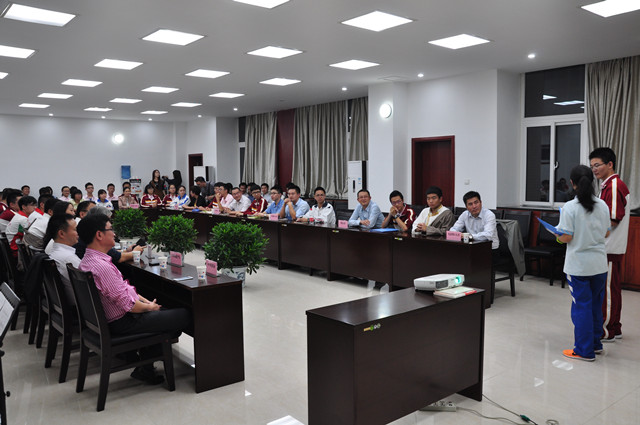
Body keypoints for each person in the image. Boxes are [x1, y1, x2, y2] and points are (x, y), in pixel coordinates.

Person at [77, 214, 190, 384]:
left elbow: (123, 289)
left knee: (166, 313)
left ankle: (146, 365)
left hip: (112, 320)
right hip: (123, 322)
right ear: (99, 235)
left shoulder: (88, 260)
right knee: (184, 315)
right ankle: (145, 365)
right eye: (110, 229)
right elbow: (128, 306)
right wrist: (149, 308)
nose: (114, 233)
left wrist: (145, 302)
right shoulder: (102, 267)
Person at [555, 165, 611, 361]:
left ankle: (583, 350)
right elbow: (606, 233)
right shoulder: (602, 205)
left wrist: (557, 236)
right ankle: (595, 344)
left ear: (572, 183)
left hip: (578, 267)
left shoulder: (570, 207)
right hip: (599, 265)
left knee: (581, 308)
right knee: (595, 305)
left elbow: (566, 237)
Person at [589, 147, 631, 342]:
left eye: (597, 165)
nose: (594, 170)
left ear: (610, 164)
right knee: (612, 289)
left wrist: (588, 227)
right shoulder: (607, 186)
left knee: (607, 291)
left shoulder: (614, 186)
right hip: (607, 246)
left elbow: (612, 219)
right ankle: (615, 326)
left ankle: (607, 331)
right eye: (592, 166)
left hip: (609, 246)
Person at [45, 214, 81, 305]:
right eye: (75, 229)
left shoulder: (55, 253)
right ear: (61, 233)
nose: (78, 233)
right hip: (82, 306)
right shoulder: (68, 258)